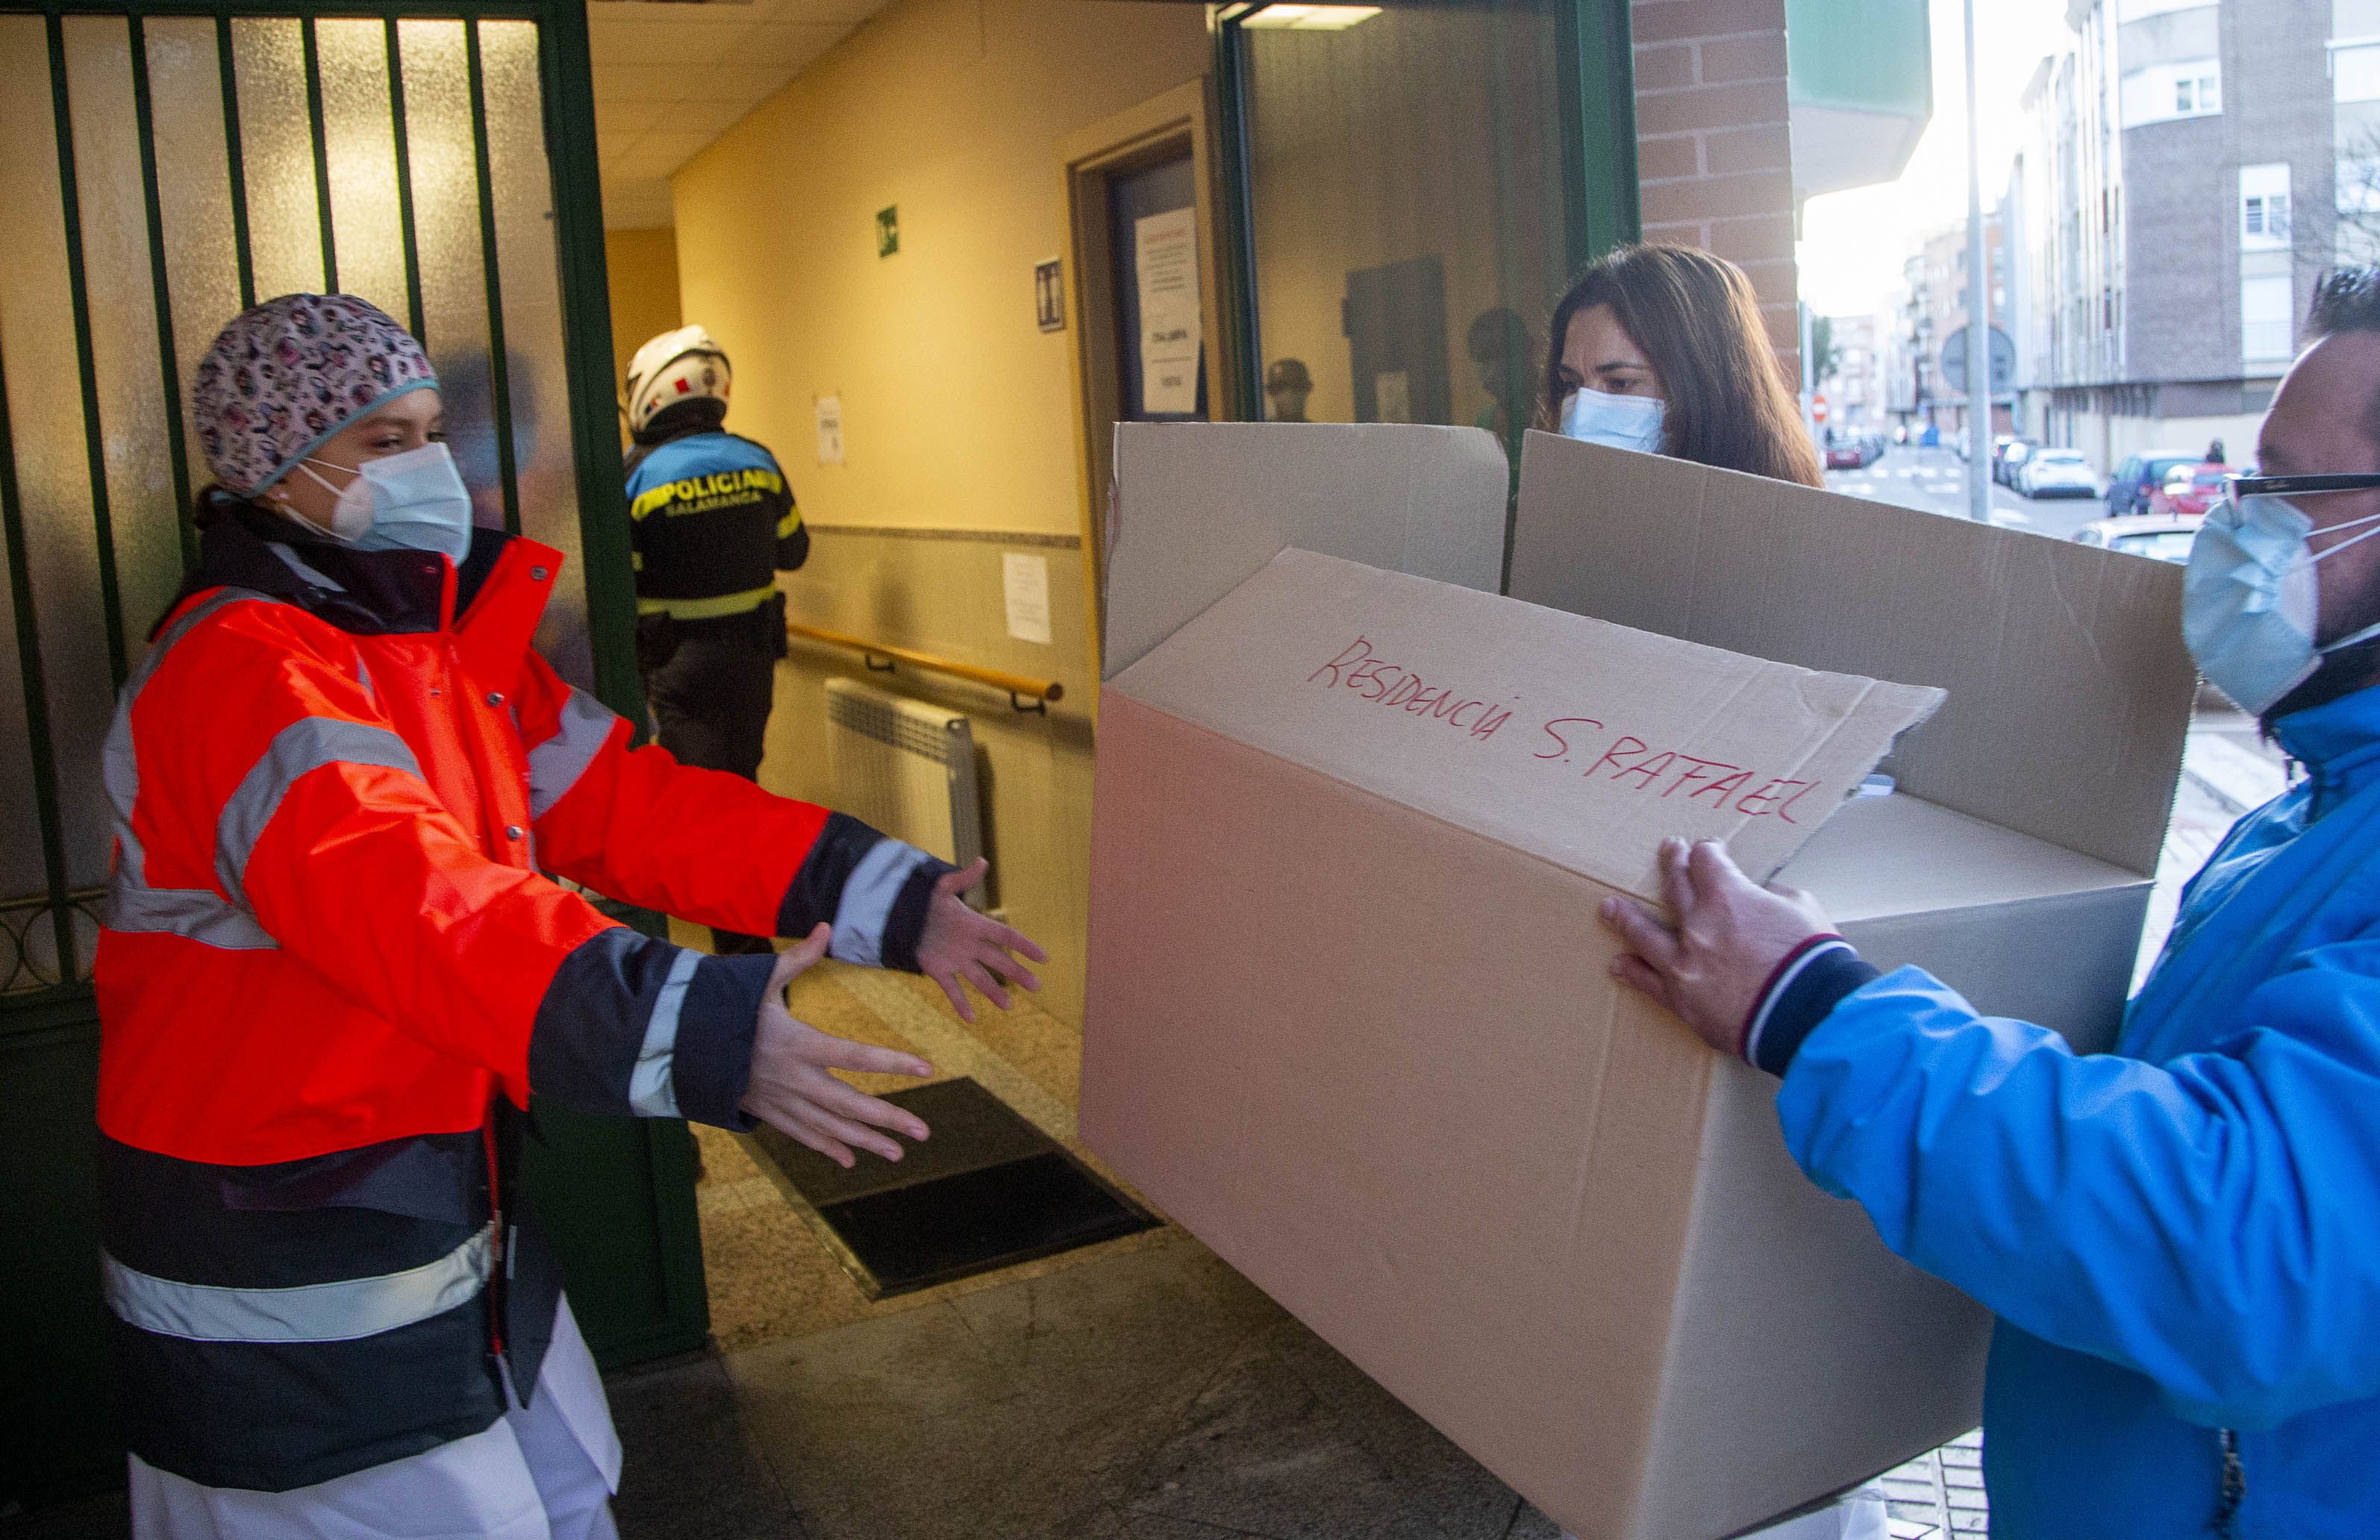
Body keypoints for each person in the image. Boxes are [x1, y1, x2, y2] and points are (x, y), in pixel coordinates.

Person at [99, 293, 1046, 1539]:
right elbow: (419, 905)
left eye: (432, 429)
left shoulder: (435, 651)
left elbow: (637, 807)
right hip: (286, 1272)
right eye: (385, 440)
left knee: (563, 1494)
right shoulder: (242, 673)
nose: (431, 464)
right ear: (275, 464)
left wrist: (887, 894)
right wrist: (699, 1026)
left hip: (426, 1208)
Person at [1598, 266, 2380, 1536]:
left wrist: (1811, 1005)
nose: (2236, 531)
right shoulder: (2305, 816)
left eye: (2283, 491)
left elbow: (2249, 1251)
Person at [621, 325, 808, 954]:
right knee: (744, 790)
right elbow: (794, 550)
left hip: (678, 666)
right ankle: (747, 942)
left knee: (700, 808)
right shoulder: (758, 461)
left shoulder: (636, 476)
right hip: (754, 660)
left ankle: (738, 954)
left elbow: (619, 577)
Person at [1538, 243, 1823, 487]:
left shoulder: (1779, 527)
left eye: (1620, 383)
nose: (1580, 417)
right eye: (1572, 385)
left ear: (1702, 384)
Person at [1265, 357, 1313, 423]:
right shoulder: (1259, 431)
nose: (1288, 394)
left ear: (1308, 388)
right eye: (1279, 388)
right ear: (1270, 391)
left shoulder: (1320, 432)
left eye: (1296, 386)